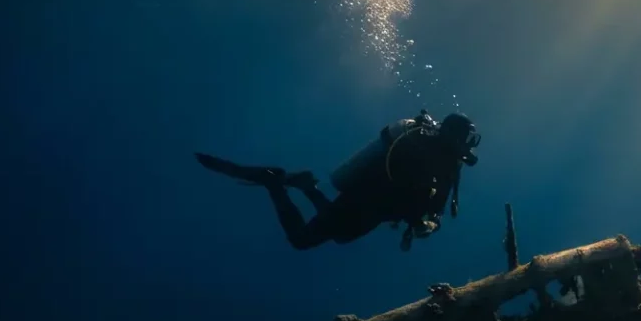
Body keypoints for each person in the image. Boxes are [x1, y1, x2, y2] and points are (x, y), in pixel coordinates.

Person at [195, 110, 480, 251]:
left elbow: (429, 205)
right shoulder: (430, 155)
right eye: (467, 140)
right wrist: (422, 222)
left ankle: (309, 186)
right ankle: (272, 181)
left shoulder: (441, 161)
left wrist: (425, 220)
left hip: (369, 207)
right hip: (366, 202)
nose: (468, 148)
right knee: (301, 240)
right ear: (456, 136)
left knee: (340, 234)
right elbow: (418, 199)